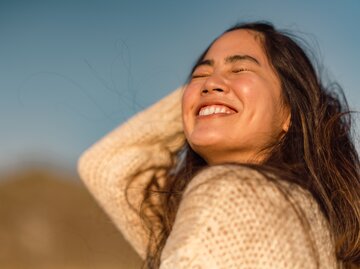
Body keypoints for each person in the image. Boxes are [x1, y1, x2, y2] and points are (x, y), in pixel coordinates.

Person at [78, 22, 360, 268]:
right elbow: (108, 167)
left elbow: (111, 163)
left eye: (240, 68)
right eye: (200, 75)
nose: (211, 81)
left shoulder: (229, 193)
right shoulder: (312, 218)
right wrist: (204, 101)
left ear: (289, 112)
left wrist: (206, 98)